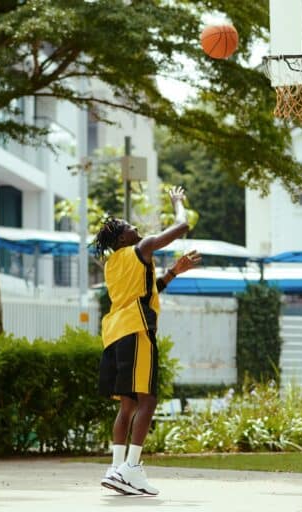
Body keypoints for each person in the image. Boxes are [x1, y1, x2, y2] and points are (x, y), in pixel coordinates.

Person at [93, 186, 201, 496]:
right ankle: (131, 468)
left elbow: (144, 293)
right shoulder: (142, 249)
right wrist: (178, 202)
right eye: (129, 225)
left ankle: (116, 468)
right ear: (123, 238)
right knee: (148, 400)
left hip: (115, 333)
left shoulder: (114, 263)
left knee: (128, 404)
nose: (134, 226)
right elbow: (182, 227)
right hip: (136, 330)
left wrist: (172, 273)